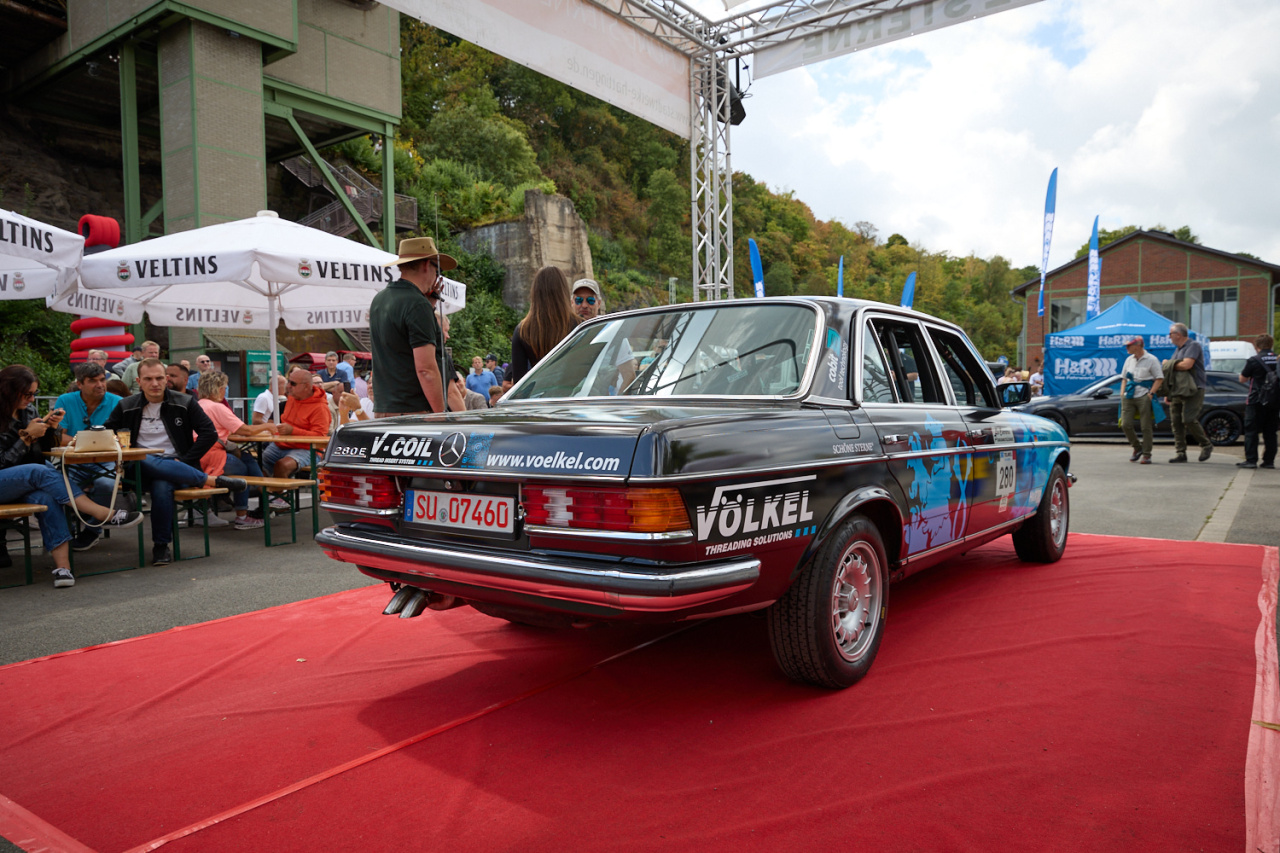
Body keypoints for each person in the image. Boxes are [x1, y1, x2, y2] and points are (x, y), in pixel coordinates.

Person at [1, 365, 142, 587]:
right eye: (27, 394)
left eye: (34, 394)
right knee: (40, 470)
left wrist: (51, 430)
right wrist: (26, 437)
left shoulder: (28, 411)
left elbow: (43, 450)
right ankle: (103, 514)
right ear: (8, 390)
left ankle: (63, 569)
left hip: (26, 480)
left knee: (47, 497)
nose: (31, 399)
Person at [104, 358, 248, 566]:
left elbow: (209, 433)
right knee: (143, 457)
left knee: (162, 486)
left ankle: (161, 546)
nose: (155, 383)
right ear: (139, 381)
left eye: (159, 378)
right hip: (139, 469)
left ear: (166, 379)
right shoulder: (126, 405)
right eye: (148, 379)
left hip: (179, 467)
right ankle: (209, 480)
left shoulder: (185, 402)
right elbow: (107, 433)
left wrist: (185, 460)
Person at [371, 236, 454, 416]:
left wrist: (428, 305)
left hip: (385, 409)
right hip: (413, 412)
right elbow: (426, 370)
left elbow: (398, 347)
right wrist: (440, 414)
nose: (437, 277)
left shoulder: (380, 299)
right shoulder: (417, 304)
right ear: (426, 265)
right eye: (438, 270)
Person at [55, 362, 126, 551]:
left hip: (107, 460)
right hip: (73, 461)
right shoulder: (65, 400)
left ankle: (93, 530)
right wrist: (88, 442)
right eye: (93, 381)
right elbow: (57, 436)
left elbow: (124, 436)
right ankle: (65, 533)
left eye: (102, 380)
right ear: (79, 384)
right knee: (59, 487)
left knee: (106, 484)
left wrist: (78, 441)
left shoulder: (117, 401)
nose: (100, 385)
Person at [197, 370, 276, 529]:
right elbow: (245, 430)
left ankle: (266, 495)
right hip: (212, 456)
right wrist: (268, 426)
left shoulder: (198, 405)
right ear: (219, 388)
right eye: (225, 387)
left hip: (196, 455)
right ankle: (245, 513)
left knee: (246, 458)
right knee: (243, 469)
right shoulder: (217, 407)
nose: (225, 391)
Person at [260, 366, 331, 507]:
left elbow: (320, 437)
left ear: (306, 386)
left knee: (282, 465)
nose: (288, 386)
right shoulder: (292, 398)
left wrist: (293, 430)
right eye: (288, 382)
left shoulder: (320, 407)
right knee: (258, 464)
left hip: (308, 449)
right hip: (283, 444)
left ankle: (278, 500)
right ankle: (269, 501)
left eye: (292, 383)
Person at [510, 266, 578, 383]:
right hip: (573, 391)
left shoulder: (523, 330)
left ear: (535, 293)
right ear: (564, 291)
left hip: (539, 392)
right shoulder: (579, 325)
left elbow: (518, 380)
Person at [572, 278, 635, 391]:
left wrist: (618, 400)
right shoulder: (567, 333)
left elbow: (629, 375)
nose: (584, 305)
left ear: (599, 303)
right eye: (579, 300)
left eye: (590, 300)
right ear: (572, 302)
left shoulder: (612, 331)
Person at [1162, 323, 1213, 463]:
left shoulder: (1193, 345)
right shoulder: (1177, 350)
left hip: (1194, 388)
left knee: (1188, 419)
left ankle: (1206, 444)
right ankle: (1180, 453)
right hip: (1177, 389)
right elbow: (1173, 373)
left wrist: (1168, 364)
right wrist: (1168, 392)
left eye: (1170, 334)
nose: (1169, 337)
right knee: (1176, 421)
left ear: (1178, 334)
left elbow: (1186, 365)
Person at [1119, 336, 1163, 465]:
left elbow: (1159, 378)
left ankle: (1147, 454)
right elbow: (1124, 378)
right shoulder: (1129, 360)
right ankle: (1137, 448)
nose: (1126, 348)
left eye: (1129, 346)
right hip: (1129, 394)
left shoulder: (1151, 359)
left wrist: (1151, 394)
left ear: (1137, 346)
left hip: (1144, 394)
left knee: (1145, 426)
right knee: (1125, 424)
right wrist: (1122, 393)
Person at [1237, 334, 1278, 470]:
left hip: (1256, 400)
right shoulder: (1277, 359)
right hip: (1274, 400)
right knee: (1270, 432)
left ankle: (1251, 460)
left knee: (1251, 431)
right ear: (1271, 344)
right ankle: (1269, 461)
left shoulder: (1254, 360)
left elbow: (1242, 379)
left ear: (1257, 346)